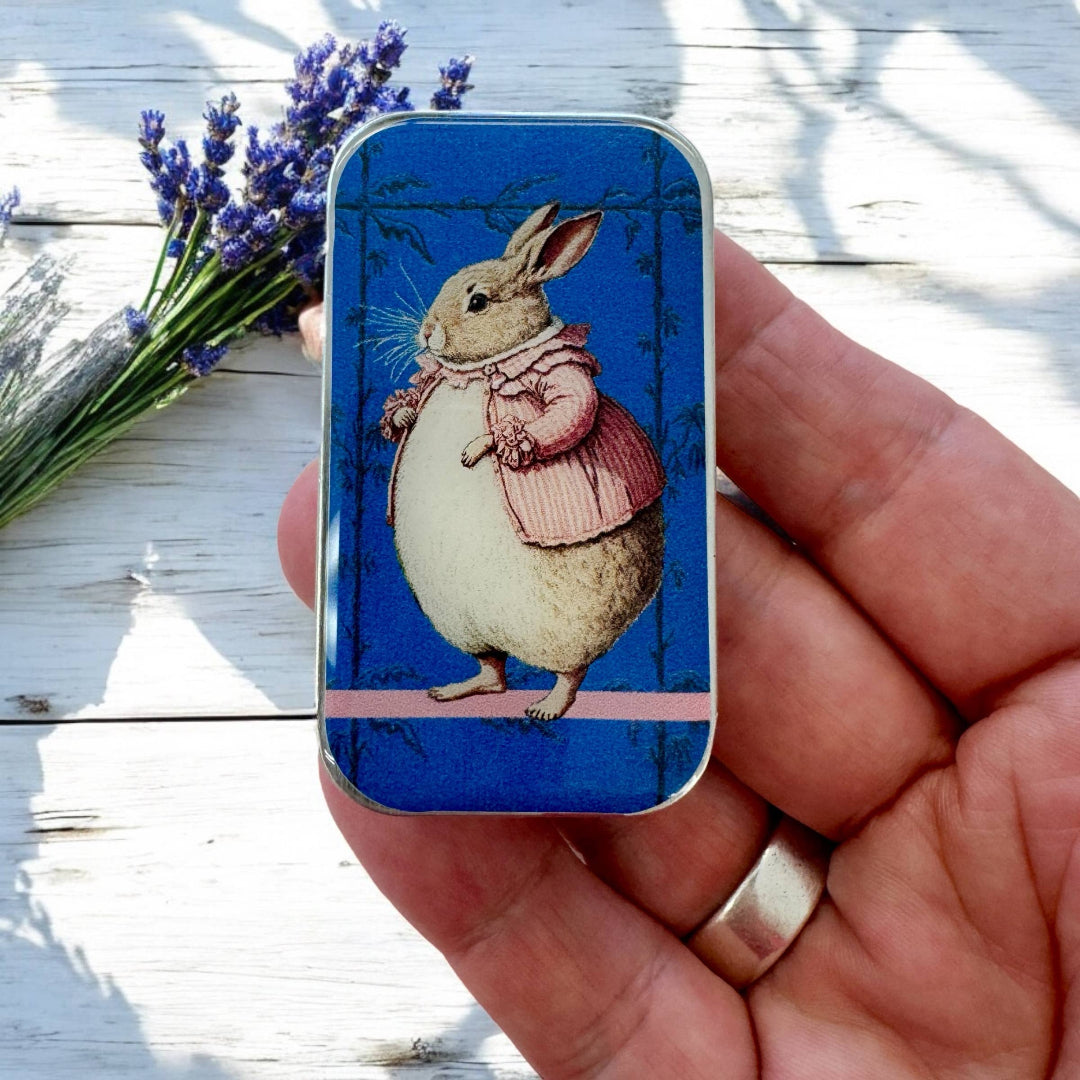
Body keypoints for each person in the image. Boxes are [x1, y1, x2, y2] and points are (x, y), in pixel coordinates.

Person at [277, 232, 1080, 1077]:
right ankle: (485, 665)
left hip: (549, 511)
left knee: (552, 581)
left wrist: (531, 441)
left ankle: (566, 669)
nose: (438, 327)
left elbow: (570, 414)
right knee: (452, 567)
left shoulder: (554, 368)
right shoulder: (452, 379)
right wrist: (412, 414)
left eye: (471, 306)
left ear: (525, 292)